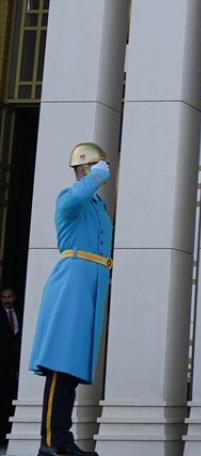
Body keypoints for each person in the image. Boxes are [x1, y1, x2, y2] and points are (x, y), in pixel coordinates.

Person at [29, 142, 113, 456]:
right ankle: (51, 441)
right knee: (60, 364)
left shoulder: (96, 204)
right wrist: (93, 178)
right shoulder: (71, 196)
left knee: (72, 368)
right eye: (98, 166)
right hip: (72, 281)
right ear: (86, 168)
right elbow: (72, 201)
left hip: (91, 282)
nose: (105, 172)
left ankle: (63, 438)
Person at [0, 286, 21, 444]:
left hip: (15, 368)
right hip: (1, 366)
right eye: (4, 297)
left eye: (10, 296)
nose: (7, 300)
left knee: (11, 401)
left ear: (14, 297)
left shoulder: (20, 313)